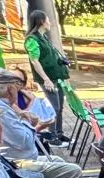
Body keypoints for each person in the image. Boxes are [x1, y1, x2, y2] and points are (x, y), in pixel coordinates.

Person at [0, 66, 85, 178]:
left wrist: (21, 115)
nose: (18, 90)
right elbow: (24, 142)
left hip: (10, 160)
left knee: (57, 160)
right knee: (73, 171)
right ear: (10, 90)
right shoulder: (0, 109)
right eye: (16, 86)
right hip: (14, 163)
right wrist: (29, 122)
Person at [22, 10, 69, 145]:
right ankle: (52, 136)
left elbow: (49, 57)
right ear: (41, 21)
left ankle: (59, 133)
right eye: (47, 19)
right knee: (54, 107)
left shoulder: (44, 37)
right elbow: (35, 61)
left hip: (56, 77)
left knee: (59, 107)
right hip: (48, 80)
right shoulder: (32, 39)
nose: (50, 22)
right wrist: (46, 79)